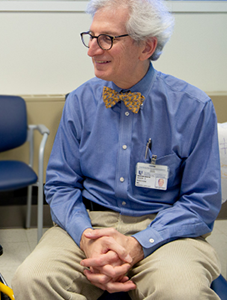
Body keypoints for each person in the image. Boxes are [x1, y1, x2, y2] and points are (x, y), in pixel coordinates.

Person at [12, 0, 222, 299]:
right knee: (31, 279)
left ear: (146, 47)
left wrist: (139, 243)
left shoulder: (192, 107)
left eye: (107, 39)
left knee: (181, 291)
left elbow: (202, 202)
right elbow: (60, 184)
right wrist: (87, 239)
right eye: (91, 36)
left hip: (166, 229)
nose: (91, 50)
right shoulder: (80, 101)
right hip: (90, 222)